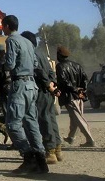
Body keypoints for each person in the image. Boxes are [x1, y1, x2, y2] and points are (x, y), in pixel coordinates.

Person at [2, 15, 48, 174]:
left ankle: (28, 157)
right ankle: (41, 160)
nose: (2, 29)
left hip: (19, 85)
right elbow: (35, 63)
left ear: (7, 26)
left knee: (12, 124)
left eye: (3, 26)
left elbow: (10, 64)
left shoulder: (11, 40)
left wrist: (4, 64)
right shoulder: (28, 41)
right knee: (31, 122)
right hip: (31, 85)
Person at [21, 31, 63, 164]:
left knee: (44, 120)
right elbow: (50, 71)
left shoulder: (31, 54)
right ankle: (58, 149)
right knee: (51, 119)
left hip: (40, 91)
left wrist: (47, 85)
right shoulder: (42, 53)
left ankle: (50, 151)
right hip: (48, 91)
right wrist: (52, 84)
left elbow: (39, 71)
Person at [56, 46, 95, 147]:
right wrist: (82, 90)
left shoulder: (60, 66)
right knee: (74, 117)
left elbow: (64, 81)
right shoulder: (77, 65)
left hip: (70, 96)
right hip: (79, 95)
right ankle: (71, 138)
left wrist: (75, 89)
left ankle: (90, 139)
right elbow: (85, 79)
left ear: (59, 55)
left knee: (78, 118)